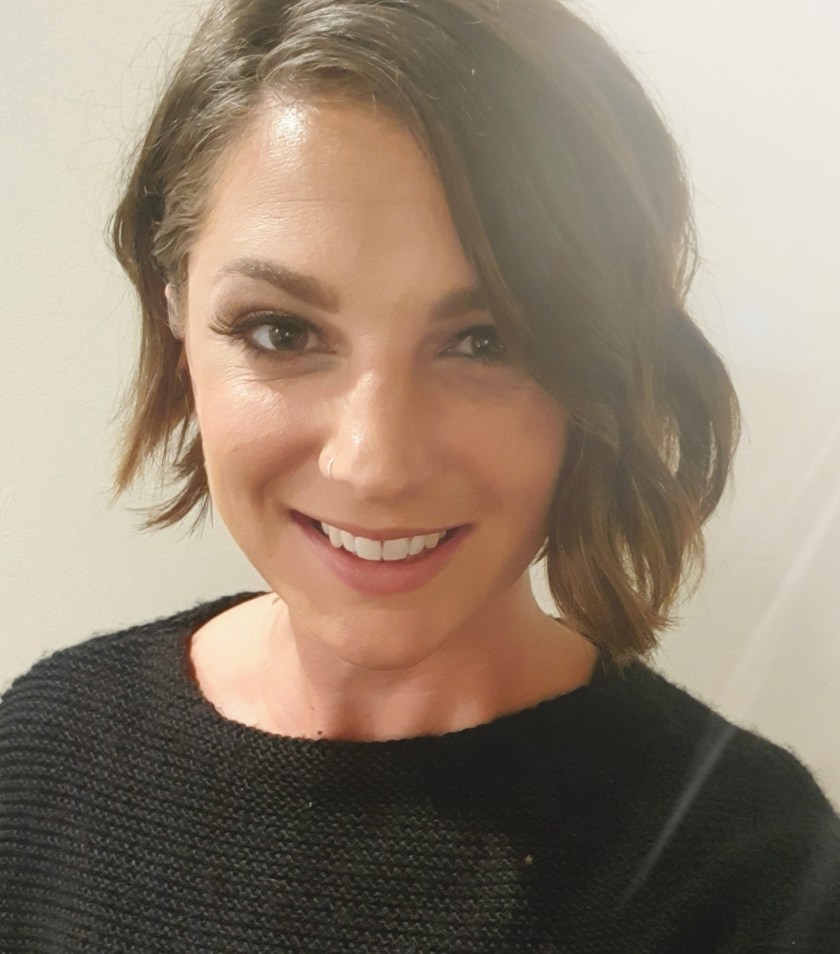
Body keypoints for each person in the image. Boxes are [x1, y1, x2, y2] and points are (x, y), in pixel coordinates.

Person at [1, 0, 838, 950]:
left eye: (487, 341)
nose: (376, 463)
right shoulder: (43, 759)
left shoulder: (753, 867)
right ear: (175, 312)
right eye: (282, 331)